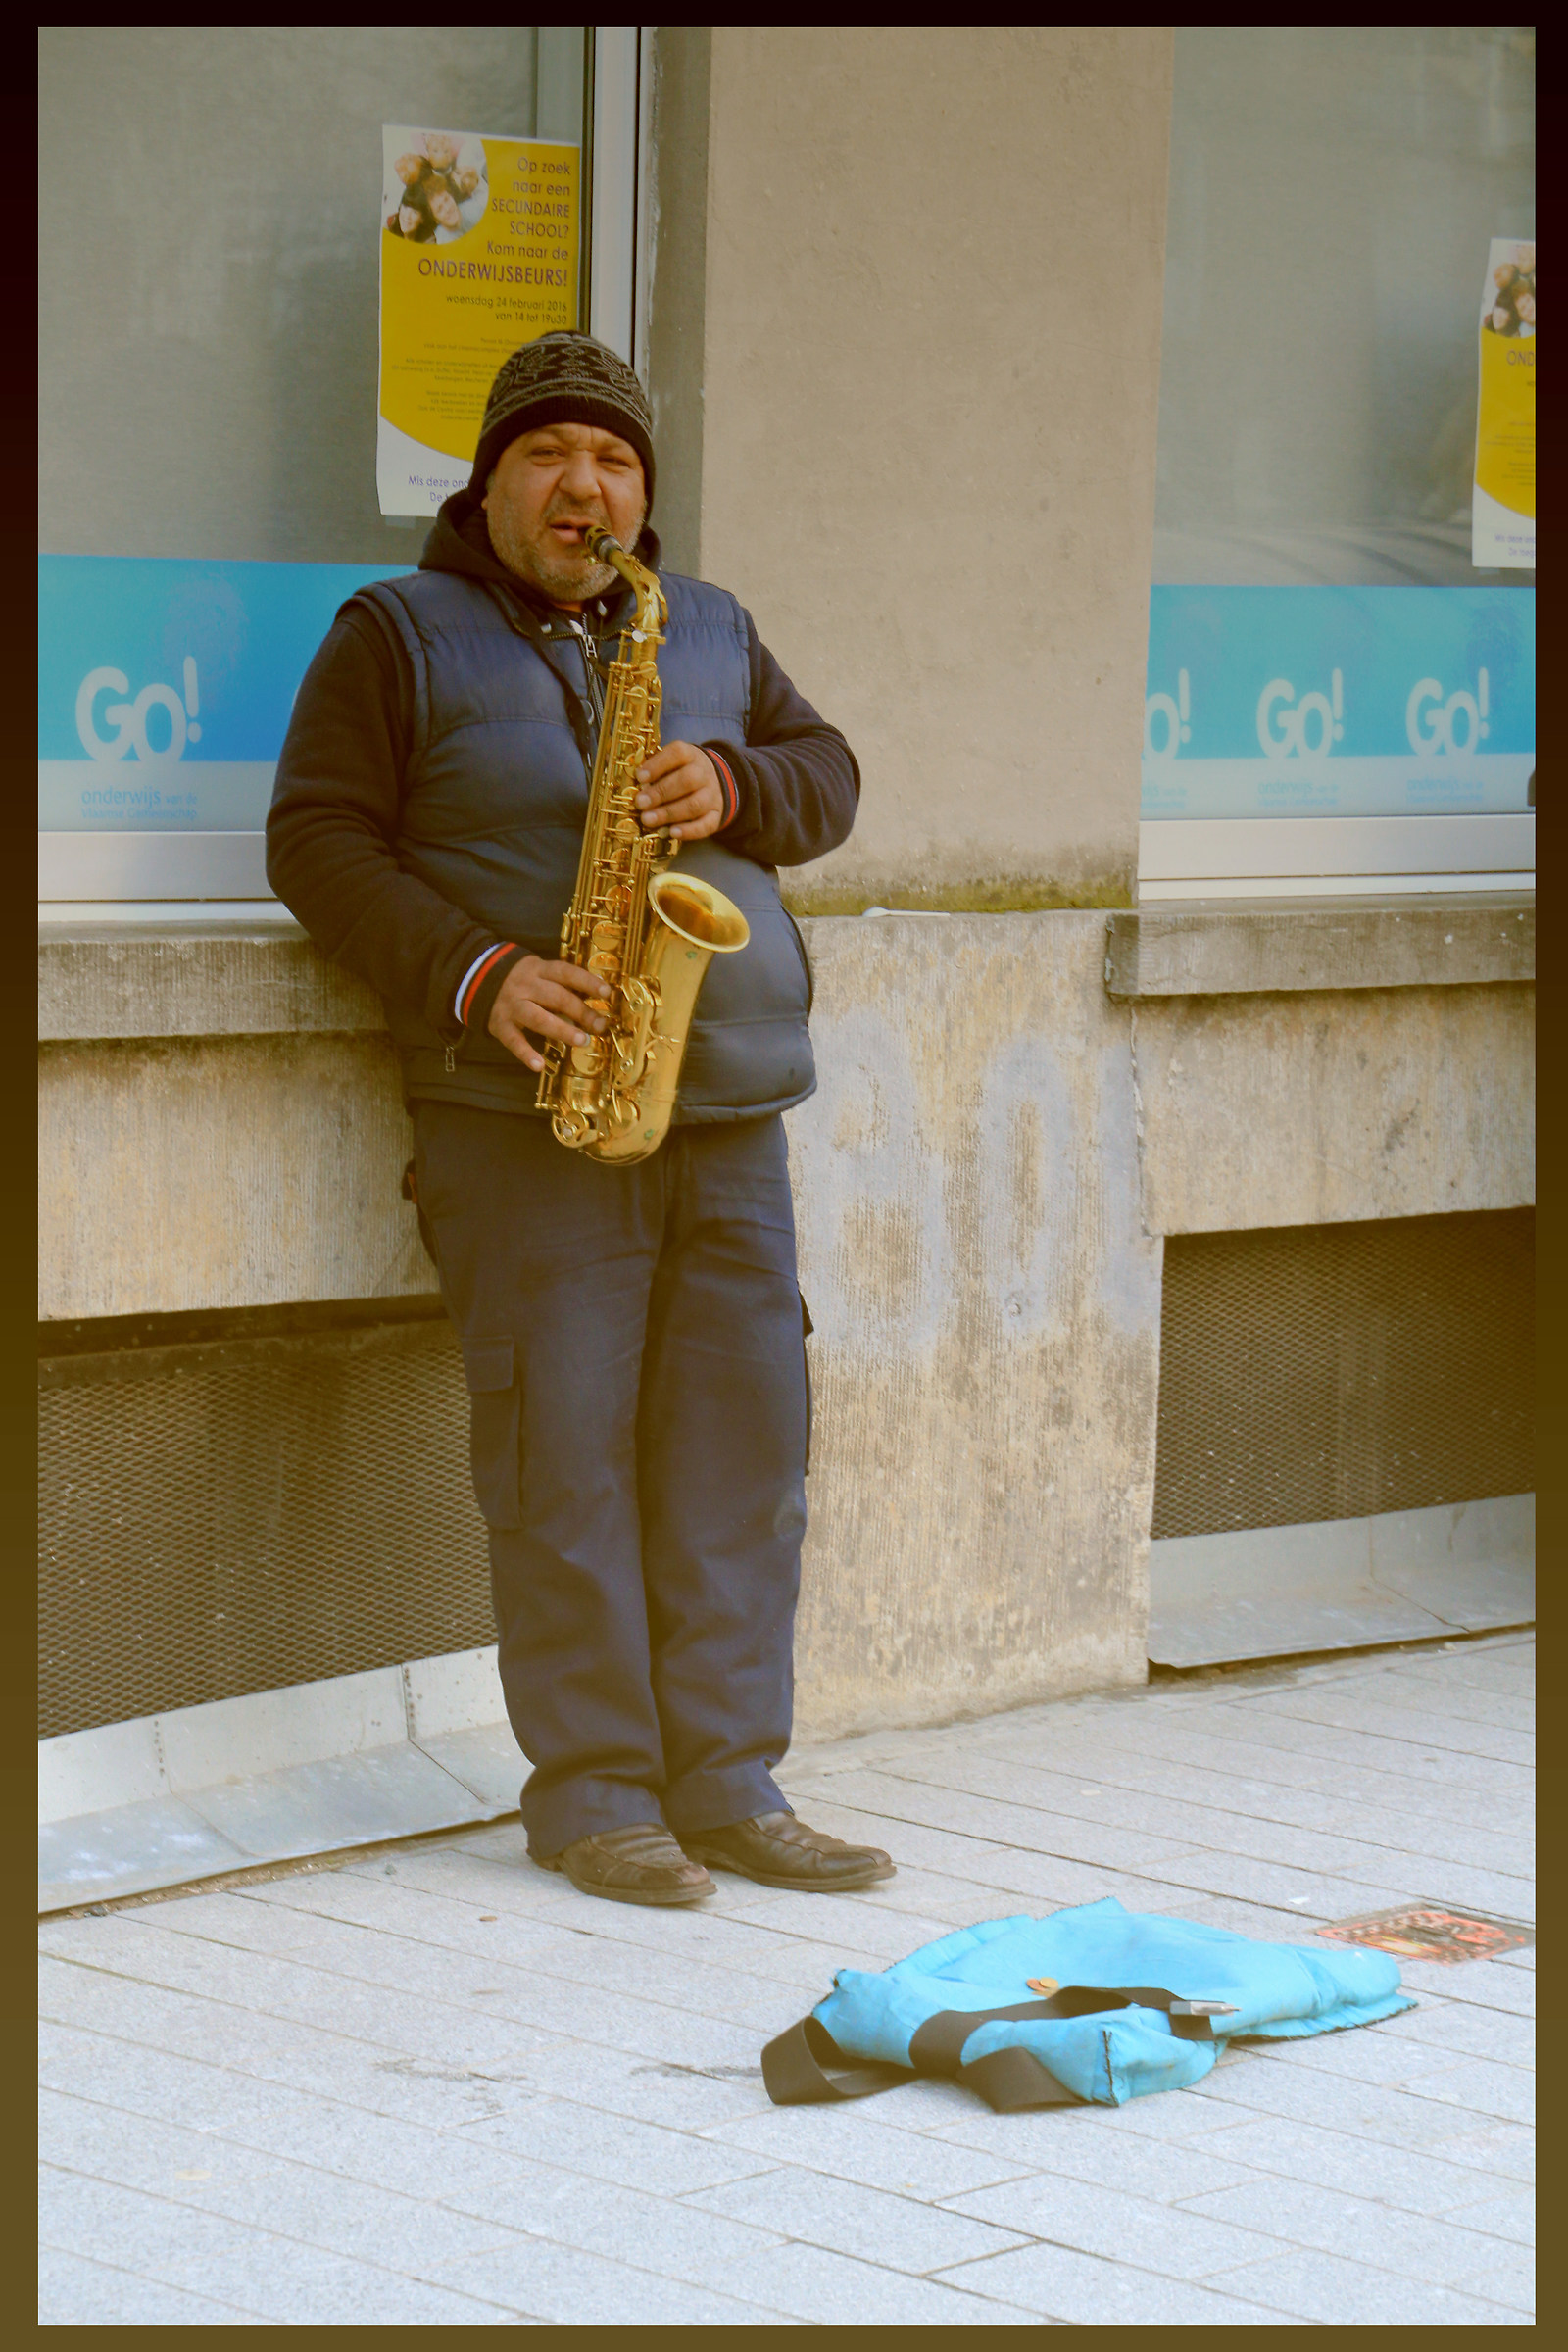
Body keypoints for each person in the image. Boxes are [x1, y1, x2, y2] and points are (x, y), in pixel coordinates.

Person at [268, 330, 896, 1907]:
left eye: (614, 459)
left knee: (742, 1454)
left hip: (725, 1107)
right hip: (520, 1107)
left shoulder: (711, 632)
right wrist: (484, 978)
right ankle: (597, 1793)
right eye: (549, 454)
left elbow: (830, 776)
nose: (584, 483)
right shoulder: (393, 633)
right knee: (568, 1467)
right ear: (487, 486)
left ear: (644, 496)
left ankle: (733, 1781)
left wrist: (735, 785)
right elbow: (318, 845)